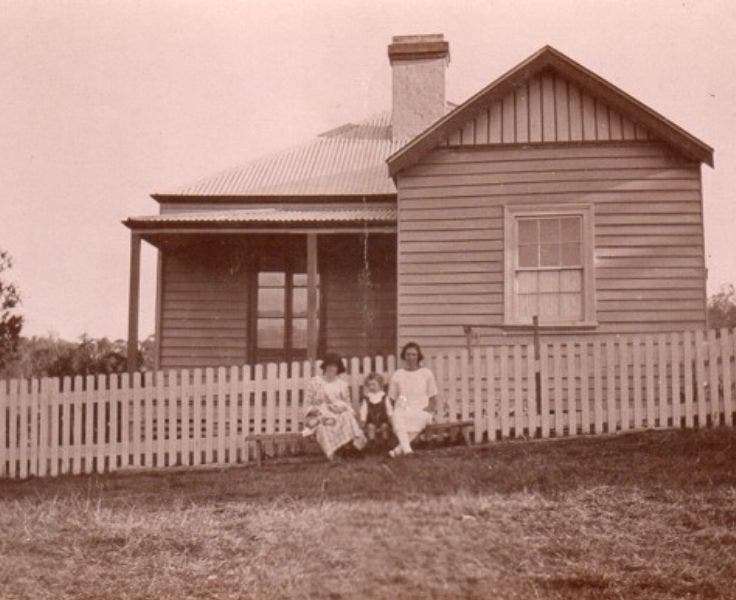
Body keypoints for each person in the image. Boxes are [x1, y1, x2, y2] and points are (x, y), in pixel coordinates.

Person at [302, 353, 367, 460]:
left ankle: (352, 448)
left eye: (335, 366)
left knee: (347, 416)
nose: (331, 368)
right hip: (320, 414)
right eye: (329, 365)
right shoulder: (314, 382)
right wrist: (317, 411)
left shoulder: (342, 385)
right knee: (323, 425)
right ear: (325, 366)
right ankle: (335, 451)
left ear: (338, 369)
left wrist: (341, 408)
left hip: (338, 413)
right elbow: (306, 405)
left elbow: (348, 404)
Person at [387, 342, 439, 457]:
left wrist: (429, 409)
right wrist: (391, 413)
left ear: (418, 356)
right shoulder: (398, 374)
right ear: (404, 356)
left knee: (420, 417)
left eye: (413, 354)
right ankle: (407, 451)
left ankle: (398, 451)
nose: (410, 357)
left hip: (422, 408)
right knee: (397, 416)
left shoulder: (426, 373)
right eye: (408, 354)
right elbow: (391, 398)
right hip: (404, 407)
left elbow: (433, 396)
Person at [358, 372, 393, 451]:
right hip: (371, 420)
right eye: (369, 385)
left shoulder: (384, 397)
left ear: (380, 385)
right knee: (370, 427)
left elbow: (389, 410)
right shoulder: (367, 398)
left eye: (374, 384)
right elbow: (363, 411)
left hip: (383, 420)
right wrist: (363, 421)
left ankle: (385, 444)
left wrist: (391, 420)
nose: (371, 387)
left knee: (385, 426)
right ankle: (372, 443)